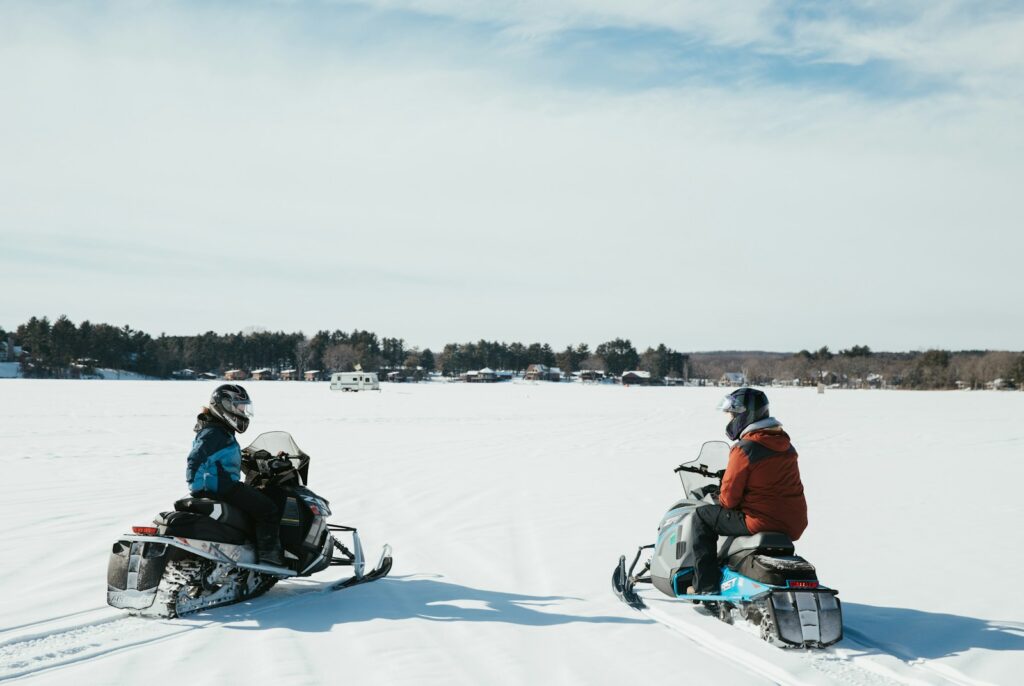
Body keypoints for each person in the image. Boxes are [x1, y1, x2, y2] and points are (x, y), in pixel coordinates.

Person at [688, 387, 807, 596]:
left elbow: (728, 500)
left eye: (732, 415)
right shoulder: (786, 446)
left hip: (760, 520)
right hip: (793, 522)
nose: (730, 420)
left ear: (744, 416)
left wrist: (720, 494)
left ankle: (704, 586)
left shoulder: (745, 448)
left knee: (701, 517)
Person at [185, 384, 285, 566]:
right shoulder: (214, 433)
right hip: (222, 487)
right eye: (239, 407)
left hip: (220, 485)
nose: (243, 411)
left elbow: (223, 458)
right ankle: (269, 556)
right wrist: (199, 485)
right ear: (224, 405)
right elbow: (196, 458)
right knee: (268, 509)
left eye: (244, 407)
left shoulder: (219, 430)